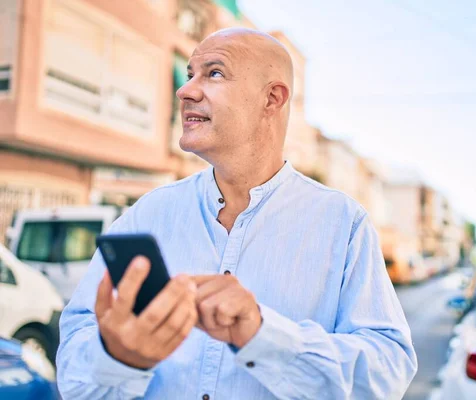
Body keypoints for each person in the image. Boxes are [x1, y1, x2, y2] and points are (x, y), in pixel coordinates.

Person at [57, 28, 417, 399]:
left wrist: (264, 335)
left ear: (272, 99)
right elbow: (74, 369)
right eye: (190, 74)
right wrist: (118, 357)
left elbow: (387, 374)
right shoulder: (148, 213)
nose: (185, 91)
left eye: (213, 73)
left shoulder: (343, 223)